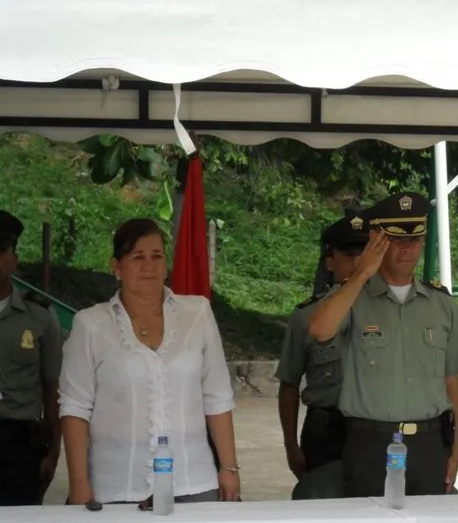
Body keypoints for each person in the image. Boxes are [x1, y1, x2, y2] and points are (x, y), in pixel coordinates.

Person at [59, 218, 240, 505]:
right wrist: (79, 483)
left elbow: (217, 396)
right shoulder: (90, 324)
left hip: (194, 481)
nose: (149, 266)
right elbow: (75, 407)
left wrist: (229, 468)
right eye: (137, 257)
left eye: (157, 256)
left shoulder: (198, 313)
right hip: (118, 485)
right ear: (116, 267)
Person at [308, 191, 458, 497]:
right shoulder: (353, 297)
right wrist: (362, 274)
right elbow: (319, 329)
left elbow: (451, 381)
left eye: (414, 238)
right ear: (377, 241)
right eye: (396, 239)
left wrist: (456, 447)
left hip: (429, 442)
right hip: (369, 443)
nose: (406, 247)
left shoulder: (442, 305)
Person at [277, 210, 369, 480]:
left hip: (377, 432)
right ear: (330, 261)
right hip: (325, 432)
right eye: (349, 254)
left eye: (364, 254)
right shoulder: (306, 316)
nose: (358, 262)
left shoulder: (391, 311)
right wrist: (291, 445)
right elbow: (289, 384)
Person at [0, 210, 63, 506]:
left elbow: (53, 387)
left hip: (19, 446)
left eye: (2, 251)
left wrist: (53, 452)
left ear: (14, 258)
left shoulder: (39, 316)